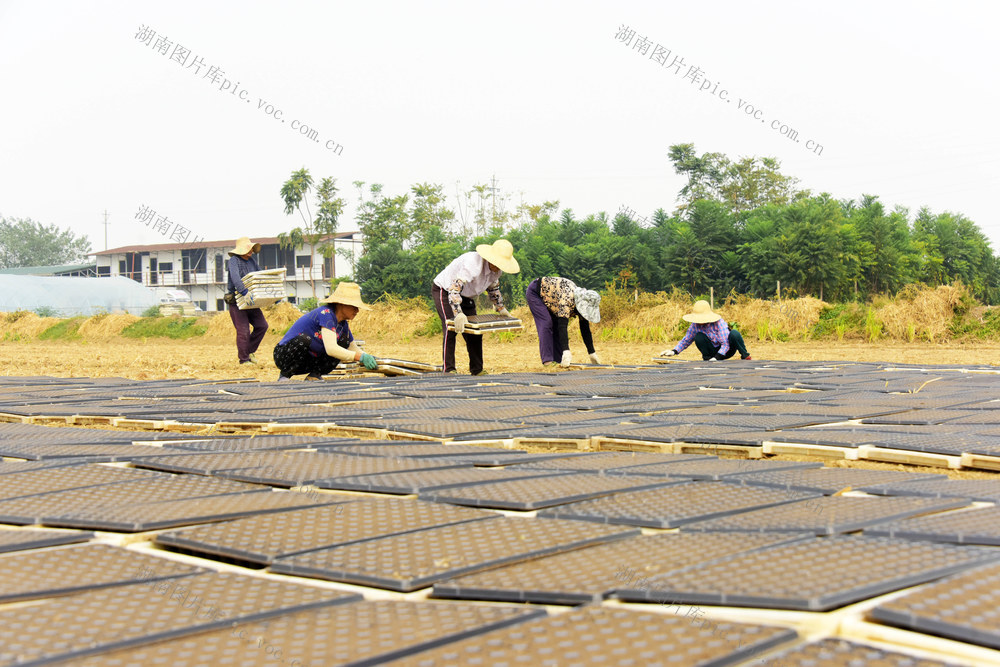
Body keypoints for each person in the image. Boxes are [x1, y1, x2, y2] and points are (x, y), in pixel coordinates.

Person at [432, 239, 520, 375]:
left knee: (475, 330)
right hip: (445, 290)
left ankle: (477, 370)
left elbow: (493, 289)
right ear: (491, 259)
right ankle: (449, 369)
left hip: (467, 296)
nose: (498, 267)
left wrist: (500, 308)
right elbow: (454, 290)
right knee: (451, 327)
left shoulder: (497, 272)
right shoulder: (473, 264)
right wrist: (458, 313)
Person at [272, 282, 378, 381]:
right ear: (341, 304)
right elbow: (331, 349)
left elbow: (352, 347)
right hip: (285, 356)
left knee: (343, 341)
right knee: (304, 340)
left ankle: (314, 376)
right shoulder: (326, 314)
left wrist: (370, 358)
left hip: (306, 360)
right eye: (354, 307)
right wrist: (360, 357)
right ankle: (285, 375)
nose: (357, 311)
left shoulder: (342, 324)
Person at [526, 277, 602, 367]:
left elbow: (585, 328)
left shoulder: (581, 302)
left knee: (555, 326)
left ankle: (558, 360)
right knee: (546, 323)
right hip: (536, 292)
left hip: (552, 299)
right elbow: (562, 326)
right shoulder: (567, 299)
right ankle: (547, 361)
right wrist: (566, 351)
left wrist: (591, 352)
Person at [660, 300, 752, 361]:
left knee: (734, 333)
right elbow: (686, 340)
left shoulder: (719, 323)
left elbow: (726, 344)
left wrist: (718, 357)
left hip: (726, 351)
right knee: (699, 336)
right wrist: (674, 351)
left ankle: (745, 355)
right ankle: (707, 359)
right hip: (712, 351)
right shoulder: (694, 325)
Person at [225, 237, 269, 365]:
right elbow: (235, 277)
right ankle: (244, 360)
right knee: (243, 331)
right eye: (247, 248)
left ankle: (249, 351)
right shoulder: (234, 261)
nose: (250, 251)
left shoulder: (251, 261)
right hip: (237, 300)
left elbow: (260, 275)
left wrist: (272, 295)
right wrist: (244, 291)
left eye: (251, 249)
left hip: (251, 300)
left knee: (262, 325)